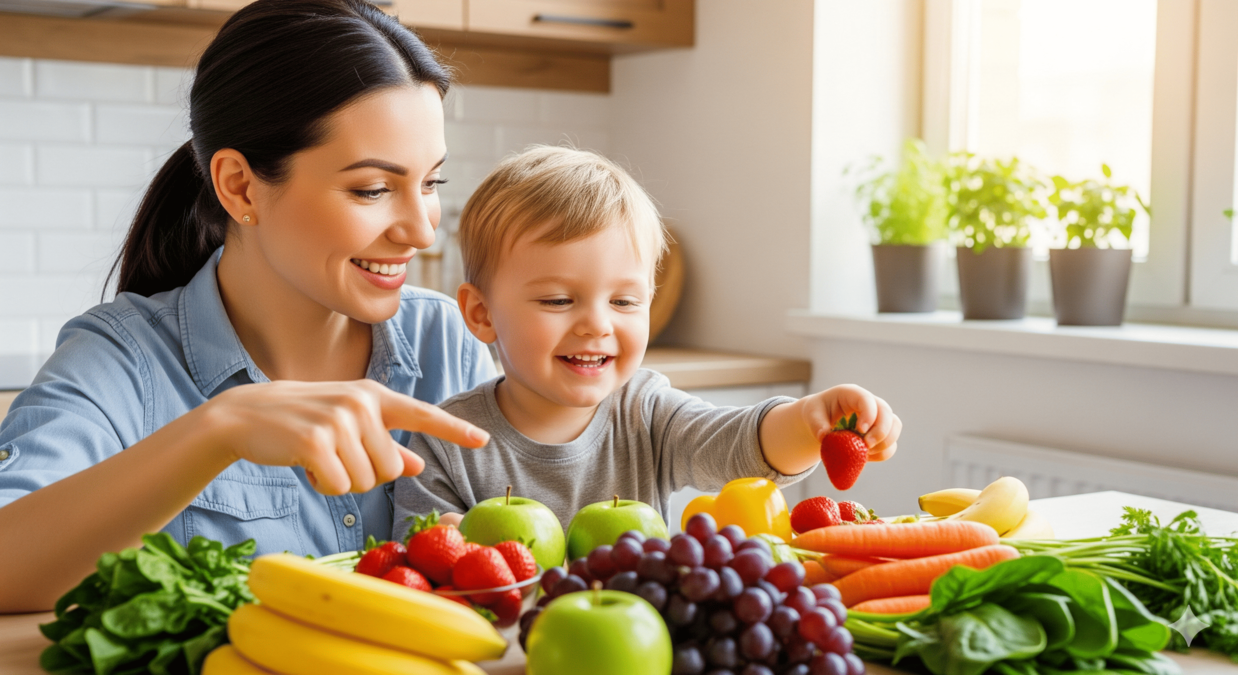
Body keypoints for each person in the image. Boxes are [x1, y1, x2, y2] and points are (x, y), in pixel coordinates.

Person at [0, 0, 496, 613]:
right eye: (372, 189)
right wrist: (219, 430)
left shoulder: (448, 340)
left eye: (431, 183)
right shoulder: (122, 362)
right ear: (240, 187)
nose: (422, 231)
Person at [393, 146, 903, 535]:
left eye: (623, 301)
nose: (597, 325)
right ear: (481, 314)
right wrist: (447, 540)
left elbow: (736, 445)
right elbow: (418, 570)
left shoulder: (646, 410)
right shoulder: (444, 443)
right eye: (558, 300)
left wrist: (809, 421)